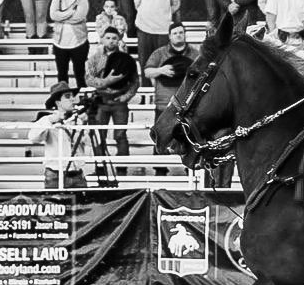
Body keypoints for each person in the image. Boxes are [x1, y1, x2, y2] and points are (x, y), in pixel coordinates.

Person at [85, 25, 140, 167]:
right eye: (108, 38)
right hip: (101, 100)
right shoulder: (94, 58)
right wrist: (106, 82)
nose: (111, 41)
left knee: (120, 135)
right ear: (102, 39)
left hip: (119, 101)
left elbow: (135, 81)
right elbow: (88, 79)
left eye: (114, 38)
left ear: (119, 40)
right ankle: (100, 168)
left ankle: (122, 167)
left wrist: (126, 97)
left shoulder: (127, 59)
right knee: (99, 135)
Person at [29, 85, 94, 191]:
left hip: (78, 175)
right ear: (58, 102)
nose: (73, 99)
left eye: (73, 96)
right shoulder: (47, 120)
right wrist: (51, 120)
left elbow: (94, 143)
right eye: (68, 96)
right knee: (55, 205)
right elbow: (32, 138)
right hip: (55, 175)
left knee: (83, 206)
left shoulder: (79, 120)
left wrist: (86, 125)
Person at [48, 0, 91, 88]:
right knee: (62, 75)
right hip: (60, 44)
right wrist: (71, 12)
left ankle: (82, 99)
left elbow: (79, 17)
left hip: (79, 42)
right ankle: (63, 99)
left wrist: (62, 17)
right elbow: (53, 15)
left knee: (80, 74)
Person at [144, 23, 196, 110]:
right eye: (175, 33)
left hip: (189, 104)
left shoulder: (195, 54)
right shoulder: (159, 53)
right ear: (169, 36)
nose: (178, 35)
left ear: (184, 34)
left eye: (181, 32)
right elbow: (147, 72)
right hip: (164, 104)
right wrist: (160, 70)